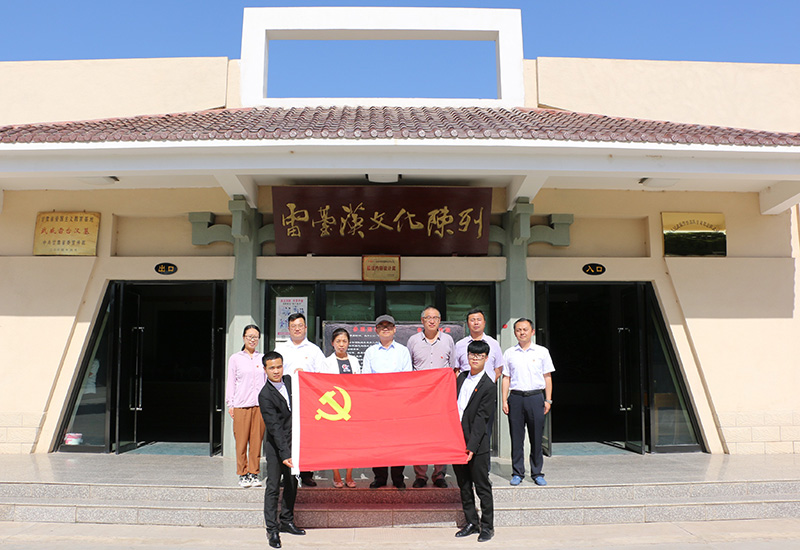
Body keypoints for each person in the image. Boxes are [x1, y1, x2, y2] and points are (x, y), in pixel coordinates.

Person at [259, 351, 306, 548]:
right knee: (273, 486)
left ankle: (287, 521)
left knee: (291, 482)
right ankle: (272, 529)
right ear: (265, 370)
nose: (276, 371)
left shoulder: (289, 381)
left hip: (294, 441)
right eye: (272, 368)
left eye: (279, 366)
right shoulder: (265, 395)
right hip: (276, 446)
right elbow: (275, 428)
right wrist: (285, 454)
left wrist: (305, 376)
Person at [406, 306, 455, 488]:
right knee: (420, 436)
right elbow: (409, 368)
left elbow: (452, 368)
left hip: (441, 397)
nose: (432, 321)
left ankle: (439, 474)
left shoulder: (448, 340)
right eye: (428, 318)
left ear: (440, 321)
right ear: (422, 321)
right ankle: (420, 475)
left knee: (440, 435)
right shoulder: (413, 341)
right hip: (420, 397)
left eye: (435, 317)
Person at [501, 318, 555, 487]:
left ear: (532, 332)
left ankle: (537, 473)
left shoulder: (542, 352)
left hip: (535, 397)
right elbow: (506, 378)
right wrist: (504, 400)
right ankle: (517, 473)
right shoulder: (509, 353)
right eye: (518, 330)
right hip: (516, 398)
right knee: (516, 438)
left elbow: (547, 377)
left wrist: (548, 399)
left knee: (536, 438)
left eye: (525, 329)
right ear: (515, 332)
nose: (522, 332)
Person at [361, 314, 412, 489]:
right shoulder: (370, 352)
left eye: (388, 326)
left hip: (398, 403)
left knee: (398, 441)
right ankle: (380, 477)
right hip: (377, 403)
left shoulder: (403, 351)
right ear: (376, 330)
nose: (385, 329)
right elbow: (366, 377)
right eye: (381, 326)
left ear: (394, 329)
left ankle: (398, 477)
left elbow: (407, 377)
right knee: (378, 441)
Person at [275, 312, 325, 487]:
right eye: (293, 326)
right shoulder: (280, 350)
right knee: (287, 436)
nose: (297, 329)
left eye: (300, 326)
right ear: (288, 329)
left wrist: (306, 376)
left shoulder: (314, 350)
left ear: (305, 328)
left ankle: (306, 473)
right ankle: (287, 474)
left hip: (308, 400)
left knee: (307, 437)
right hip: (285, 400)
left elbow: (322, 374)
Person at [453, 340, 496, 542]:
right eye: (472, 355)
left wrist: (472, 446)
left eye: (479, 356)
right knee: (463, 484)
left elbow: (481, 419)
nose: (475, 359)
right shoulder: (461, 377)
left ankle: (487, 527)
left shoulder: (488, 386)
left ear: (486, 358)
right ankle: (471, 522)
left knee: (482, 486)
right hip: (457, 440)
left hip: (476, 444)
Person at [225, 324, 266, 488]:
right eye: (249, 336)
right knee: (241, 442)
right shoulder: (235, 358)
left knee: (256, 442)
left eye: (255, 337)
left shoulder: (262, 358)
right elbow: (231, 382)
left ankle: (254, 473)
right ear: (243, 338)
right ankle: (242, 474)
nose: (252, 340)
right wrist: (230, 403)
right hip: (241, 405)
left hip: (259, 406)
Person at [320, 327, 360, 488]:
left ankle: (349, 475)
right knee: (335, 443)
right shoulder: (326, 362)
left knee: (352, 443)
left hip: (352, 407)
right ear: (332, 343)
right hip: (335, 408)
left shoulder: (355, 361)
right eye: (338, 341)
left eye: (344, 341)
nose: (341, 344)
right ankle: (336, 474)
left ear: (348, 343)